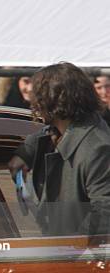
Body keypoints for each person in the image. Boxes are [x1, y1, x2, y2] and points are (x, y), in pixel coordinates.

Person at [8, 62, 110, 237]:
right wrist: (25, 153)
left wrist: (70, 249)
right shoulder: (69, 127)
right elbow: (45, 133)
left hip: (80, 255)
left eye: (39, 95)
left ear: (54, 100)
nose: (34, 102)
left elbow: (104, 212)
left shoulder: (97, 149)